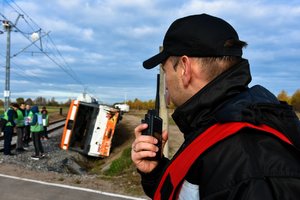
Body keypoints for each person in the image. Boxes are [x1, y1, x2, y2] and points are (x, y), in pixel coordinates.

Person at [131, 14, 300, 199]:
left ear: (184, 68)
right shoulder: (215, 126)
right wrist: (155, 172)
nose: (167, 83)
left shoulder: (246, 159)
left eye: (165, 70)